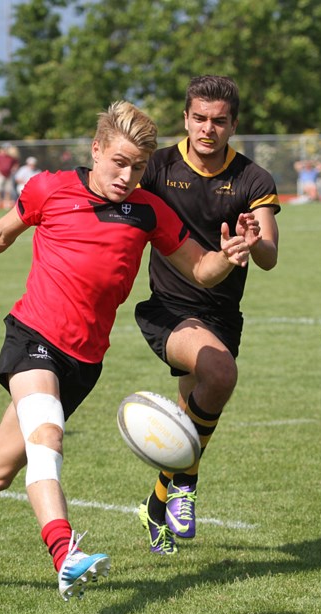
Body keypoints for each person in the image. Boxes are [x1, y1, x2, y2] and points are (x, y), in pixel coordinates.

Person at [0, 100, 258, 601]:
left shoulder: (149, 211)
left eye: (137, 167)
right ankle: (65, 554)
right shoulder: (50, 188)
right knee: (48, 437)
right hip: (33, 337)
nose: (127, 175)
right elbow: (0, 234)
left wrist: (227, 256)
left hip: (84, 362)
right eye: (118, 162)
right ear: (96, 150)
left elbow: (199, 269)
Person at [133, 75, 280, 556]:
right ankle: (184, 491)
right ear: (185, 119)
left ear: (233, 124)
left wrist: (254, 239)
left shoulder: (253, 179)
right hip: (170, 309)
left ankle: (157, 503)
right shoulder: (158, 166)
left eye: (219, 121)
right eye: (199, 118)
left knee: (192, 419)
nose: (208, 129)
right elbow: (118, 197)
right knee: (219, 371)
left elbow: (270, 256)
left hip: (222, 314)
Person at [0, 144, 20, 210]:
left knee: (7, 191)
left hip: (8, 175)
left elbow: (16, 163)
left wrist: (14, 168)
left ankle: (6, 205)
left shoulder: (11, 157)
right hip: (0, 175)